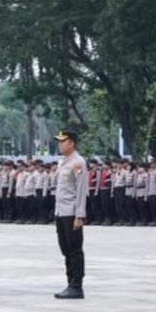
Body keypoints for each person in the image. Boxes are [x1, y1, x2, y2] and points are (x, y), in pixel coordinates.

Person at [52, 128, 88, 299]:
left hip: (71, 213)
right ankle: (70, 283)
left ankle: (77, 286)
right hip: (60, 212)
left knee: (75, 250)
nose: (60, 144)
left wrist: (79, 216)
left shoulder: (78, 162)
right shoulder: (62, 162)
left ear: (72, 143)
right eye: (59, 141)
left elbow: (81, 191)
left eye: (63, 141)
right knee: (65, 249)